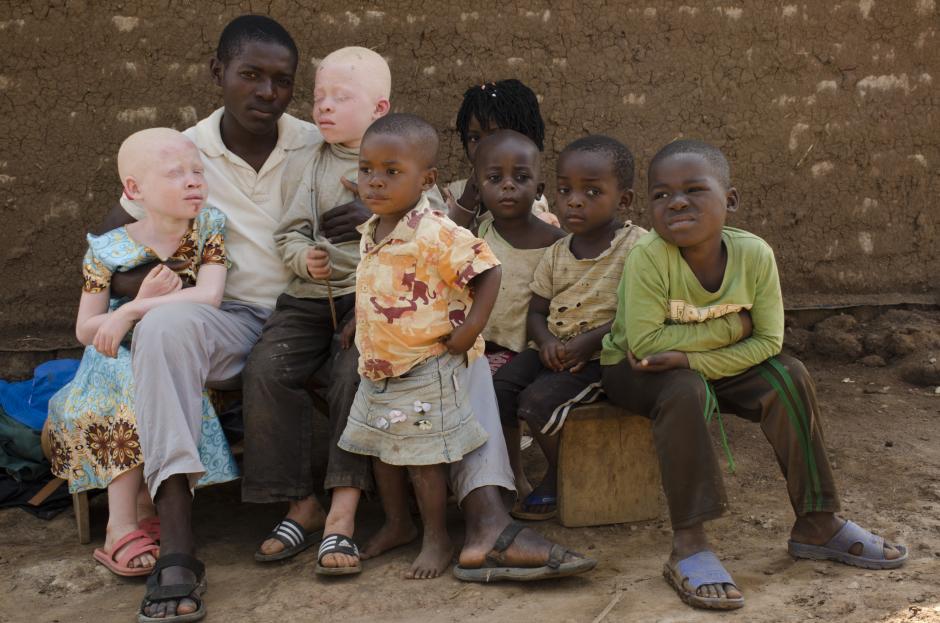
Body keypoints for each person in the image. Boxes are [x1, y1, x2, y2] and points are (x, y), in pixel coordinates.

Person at [600, 139, 908, 610]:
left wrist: (694, 357)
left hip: (696, 365)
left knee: (788, 375)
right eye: (661, 195)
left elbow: (769, 343)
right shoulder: (649, 256)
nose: (676, 201)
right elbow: (645, 347)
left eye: (694, 190)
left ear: (731, 200)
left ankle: (817, 520)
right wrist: (733, 326)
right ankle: (690, 544)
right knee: (683, 389)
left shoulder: (754, 255)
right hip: (632, 371)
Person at [98, 16, 320, 622]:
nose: (266, 93)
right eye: (250, 75)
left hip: (316, 312)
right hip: (232, 316)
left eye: (282, 80)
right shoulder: (183, 148)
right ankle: (177, 543)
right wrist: (141, 287)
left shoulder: (316, 141)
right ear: (217, 73)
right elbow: (122, 238)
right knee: (165, 329)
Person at [47, 128, 237, 578]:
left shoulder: (209, 226)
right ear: (135, 190)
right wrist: (123, 317)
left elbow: (208, 296)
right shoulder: (107, 249)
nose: (193, 181)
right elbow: (86, 328)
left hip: (169, 346)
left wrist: (132, 308)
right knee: (128, 381)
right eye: (176, 174)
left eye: (197, 171)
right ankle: (121, 526)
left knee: (147, 372)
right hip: (112, 358)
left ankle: (143, 506)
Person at [325, 113, 501, 579]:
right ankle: (397, 524)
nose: (375, 182)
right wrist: (358, 327)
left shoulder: (435, 231)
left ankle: (437, 537)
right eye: (366, 170)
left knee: (424, 460)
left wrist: (467, 333)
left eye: (391, 171)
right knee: (382, 450)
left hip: (425, 364)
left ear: (427, 179)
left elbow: (488, 271)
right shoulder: (374, 229)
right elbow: (381, 288)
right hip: (379, 366)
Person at [241, 46, 393, 563]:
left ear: (380, 108)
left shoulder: (399, 158)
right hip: (309, 297)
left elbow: (429, 226)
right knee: (266, 368)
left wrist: (375, 212)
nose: (323, 107)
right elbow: (290, 235)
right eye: (318, 96)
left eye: (340, 97)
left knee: (354, 371)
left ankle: (342, 509)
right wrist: (307, 258)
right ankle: (299, 502)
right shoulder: (311, 163)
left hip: (377, 300)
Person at [493, 135, 646, 521]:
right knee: (502, 388)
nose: (574, 200)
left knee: (537, 402)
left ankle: (562, 474)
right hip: (556, 348)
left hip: (600, 355)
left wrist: (587, 342)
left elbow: (641, 314)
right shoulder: (558, 252)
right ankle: (531, 473)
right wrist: (543, 342)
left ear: (623, 200)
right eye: (565, 190)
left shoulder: (639, 248)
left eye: (592, 191)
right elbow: (537, 311)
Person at [470, 129, 565, 499]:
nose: (508, 187)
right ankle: (483, 480)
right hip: (483, 343)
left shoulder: (557, 245)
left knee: (499, 391)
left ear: (539, 189)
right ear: (478, 189)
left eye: (521, 178)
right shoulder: (479, 233)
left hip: (528, 346)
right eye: (495, 179)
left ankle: (515, 475)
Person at [442, 79, 559, 229]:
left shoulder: (526, 197)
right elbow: (440, 242)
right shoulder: (458, 193)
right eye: (474, 138)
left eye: (494, 136)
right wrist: (466, 203)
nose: (484, 148)